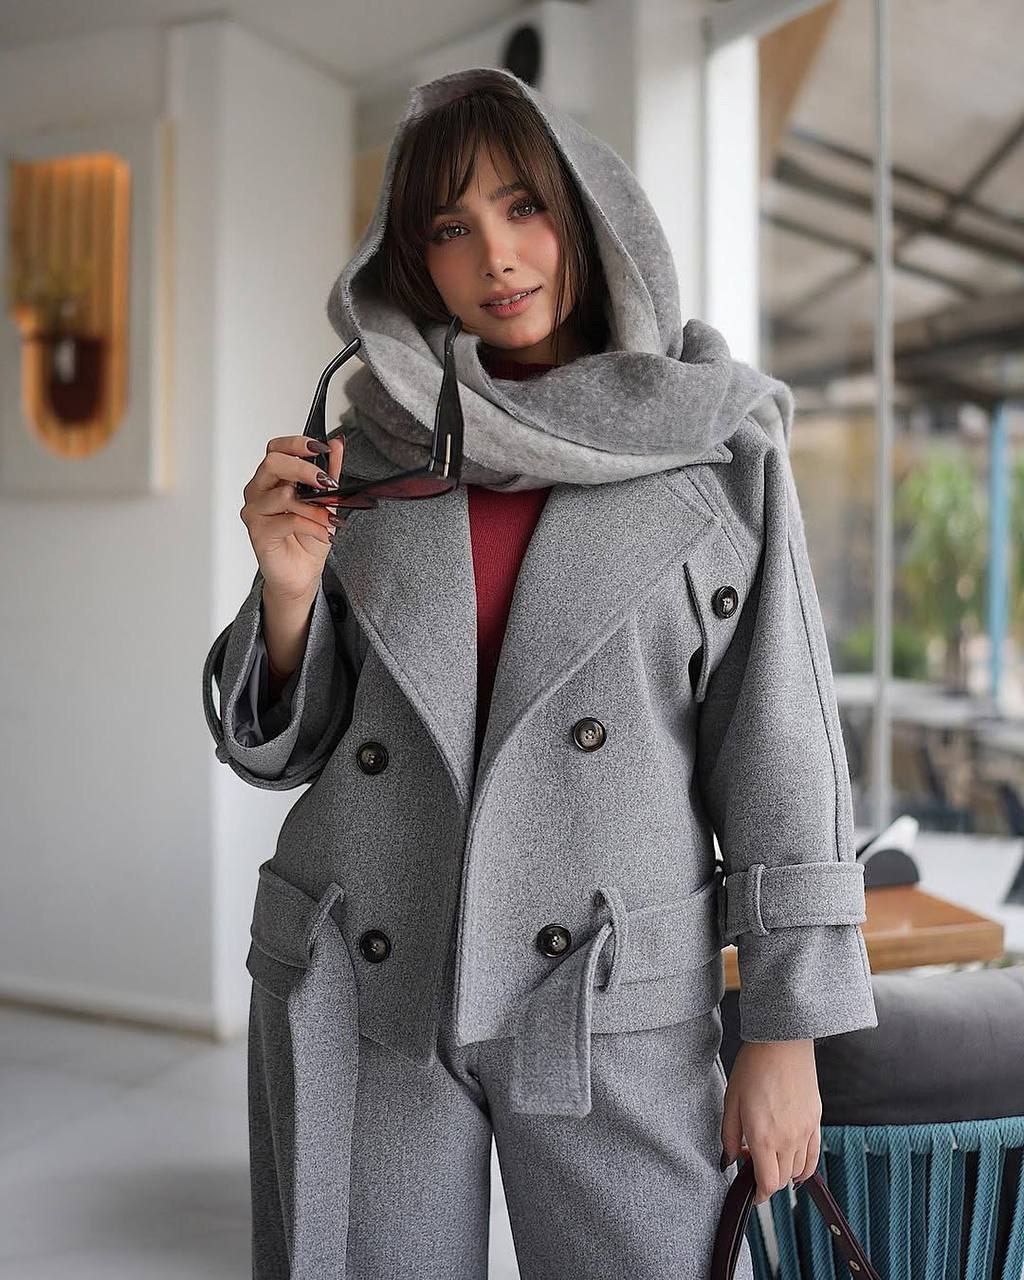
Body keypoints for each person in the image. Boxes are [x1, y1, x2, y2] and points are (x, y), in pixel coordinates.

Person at [204, 66, 878, 1280]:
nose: (496, 255)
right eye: (449, 227)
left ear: (588, 215)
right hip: (372, 968)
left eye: (523, 208)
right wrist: (289, 591)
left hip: (610, 988)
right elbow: (288, 747)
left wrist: (785, 1032)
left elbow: (778, 748)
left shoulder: (718, 453)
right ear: (414, 261)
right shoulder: (369, 453)